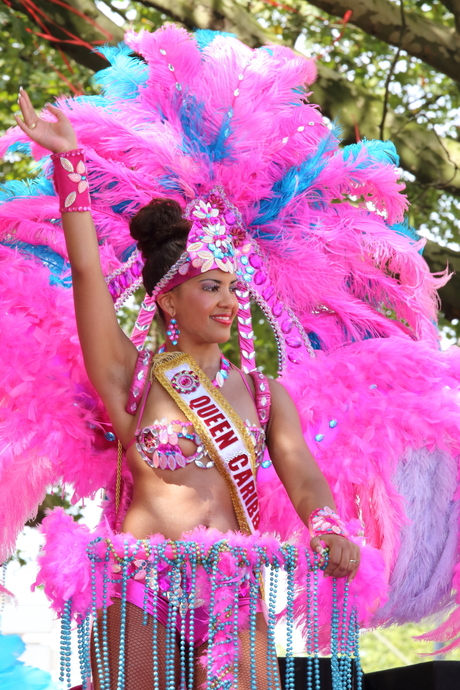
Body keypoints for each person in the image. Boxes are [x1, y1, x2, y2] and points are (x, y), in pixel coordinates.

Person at [15, 86, 360, 689]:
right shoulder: (132, 376)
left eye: (233, 286)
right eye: (211, 287)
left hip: (235, 584)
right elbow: (89, 271)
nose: (230, 301)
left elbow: (301, 470)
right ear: (169, 298)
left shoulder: (262, 392)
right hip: (141, 584)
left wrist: (325, 523)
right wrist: (69, 165)